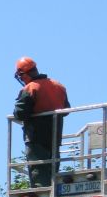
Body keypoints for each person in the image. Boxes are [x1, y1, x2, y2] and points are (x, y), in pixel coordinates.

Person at [13, 57, 70, 187]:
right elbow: (66, 110)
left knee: (39, 173)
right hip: (55, 138)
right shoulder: (58, 86)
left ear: (24, 74)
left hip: (36, 138)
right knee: (52, 171)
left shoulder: (30, 88)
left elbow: (20, 113)